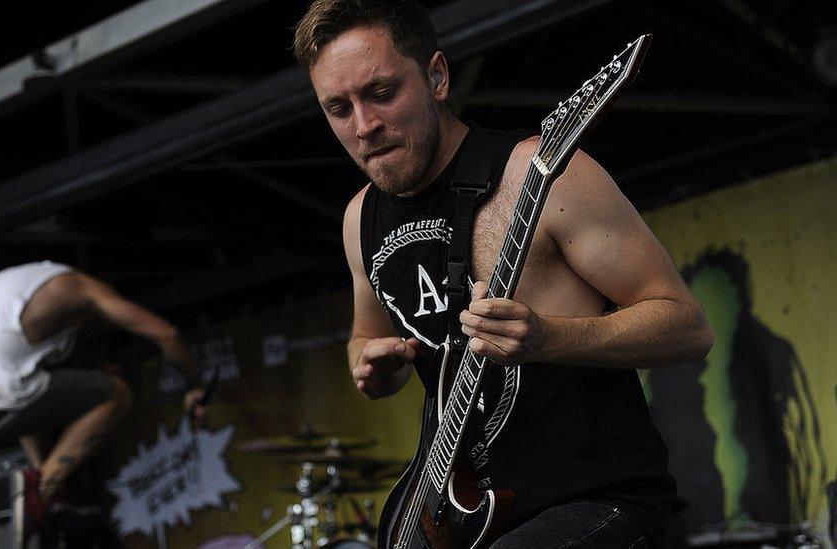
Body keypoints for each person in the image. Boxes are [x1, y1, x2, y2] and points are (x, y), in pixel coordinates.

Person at [293, 1, 714, 547]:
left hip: (595, 501)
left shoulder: (543, 174)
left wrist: (549, 336)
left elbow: (687, 328)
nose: (365, 126)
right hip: (460, 513)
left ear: (437, 77)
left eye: (381, 93)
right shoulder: (360, 219)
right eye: (338, 108)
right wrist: (375, 368)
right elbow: (365, 338)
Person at [0, 261, 207, 544]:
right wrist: (194, 384)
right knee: (116, 394)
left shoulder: (18, 290)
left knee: (33, 387)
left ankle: (44, 483)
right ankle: (44, 489)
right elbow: (165, 334)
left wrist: (92, 367)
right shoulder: (80, 289)